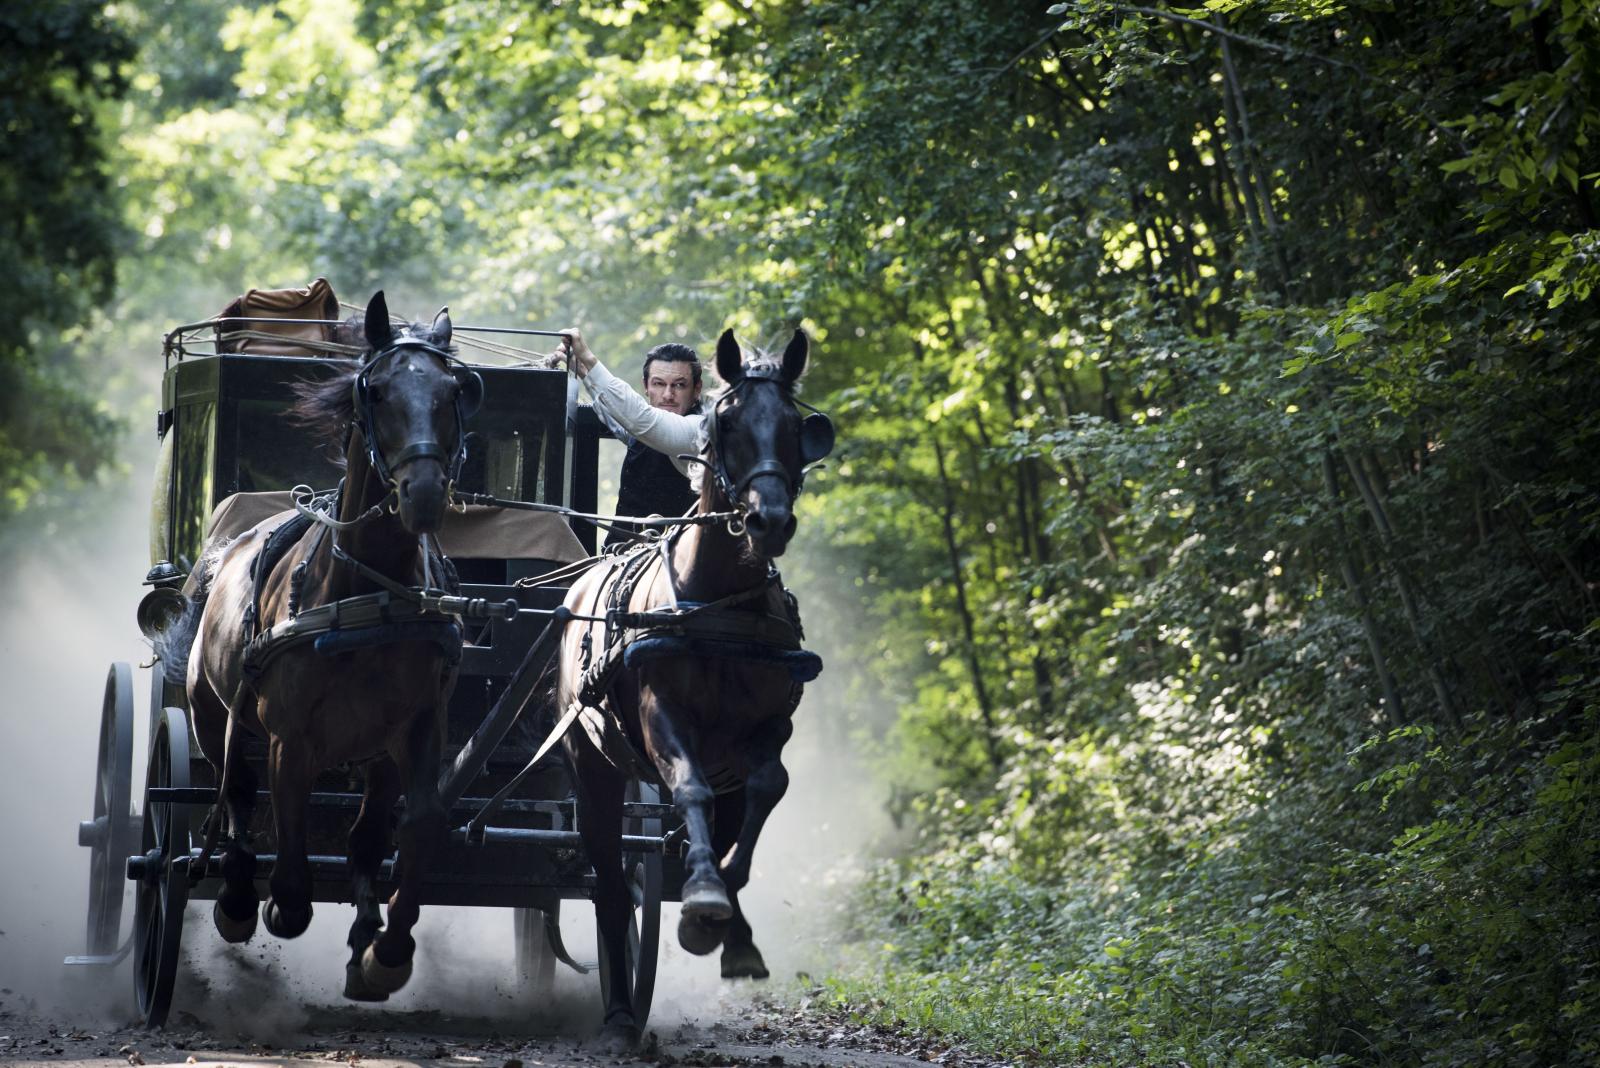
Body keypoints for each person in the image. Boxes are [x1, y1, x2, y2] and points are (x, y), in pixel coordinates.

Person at [560, 328, 706, 551]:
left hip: (676, 562)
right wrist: (582, 371)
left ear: (696, 389)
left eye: (679, 385)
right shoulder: (641, 429)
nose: (668, 395)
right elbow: (621, 417)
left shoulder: (700, 431)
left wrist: (588, 358)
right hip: (621, 556)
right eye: (658, 384)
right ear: (646, 387)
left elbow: (640, 418)